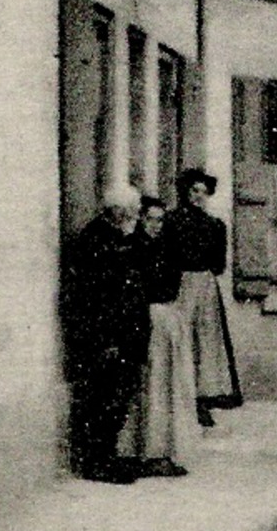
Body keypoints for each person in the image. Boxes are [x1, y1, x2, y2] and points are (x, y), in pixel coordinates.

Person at [62, 185, 148, 485]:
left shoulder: (119, 237)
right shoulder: (94, 240)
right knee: (101, 400)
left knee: (117, 398)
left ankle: (108, 456)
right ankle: (96, 462)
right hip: (106, 341)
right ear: (118, 211)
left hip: (125, 338)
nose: (135, 216)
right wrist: (105, 341)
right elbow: (92, 298)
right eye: (132, 210)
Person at [122, 196, 199, 477]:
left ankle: (162, 451)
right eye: (150, 219)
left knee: (167, 386)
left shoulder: (166, 248)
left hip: (167, 320)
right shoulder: (132, 248)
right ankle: (142, 452)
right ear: (140, 219)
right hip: (146, 320)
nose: (155, 225)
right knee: (149, 384)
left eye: (160, 220)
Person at [165, 168, 241, 427]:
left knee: (207, 341)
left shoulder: (215, 225)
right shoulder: (171, 221)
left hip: (206, 284)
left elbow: (219, 264)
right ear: (185, 192)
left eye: (203, 192)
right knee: (183, 336)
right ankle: (181, 398)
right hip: (181, 283)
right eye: (193, 191)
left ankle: (203, 399)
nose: (198, 196)